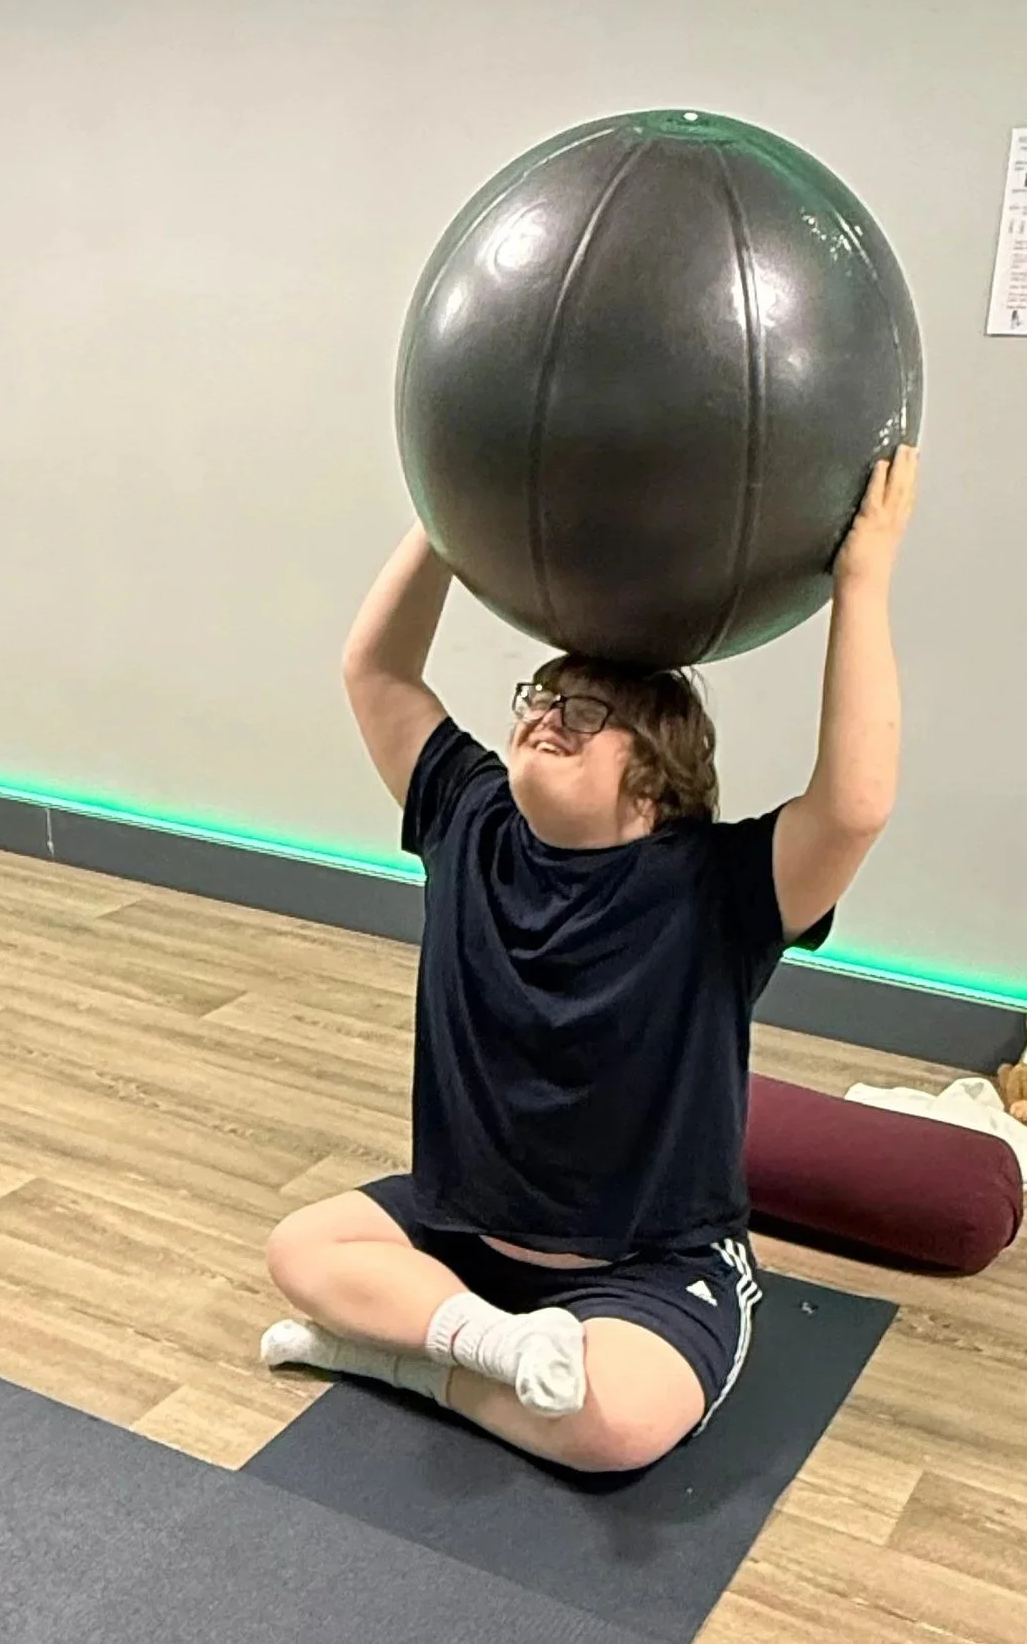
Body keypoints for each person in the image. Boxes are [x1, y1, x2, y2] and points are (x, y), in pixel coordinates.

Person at [259, 446, 919, 1474]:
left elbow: (855, 801)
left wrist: (862, 583)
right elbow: (376, 670)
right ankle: (494, 1346)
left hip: (647, 1264)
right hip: (463, 1236)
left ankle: (412, 1361)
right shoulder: (467, 818)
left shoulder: (717, 889)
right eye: (537, 696)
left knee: (616, 1428)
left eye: (582, 713)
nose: (540, 715)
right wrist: (451, 518)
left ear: (655, 781)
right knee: (300, 1247)